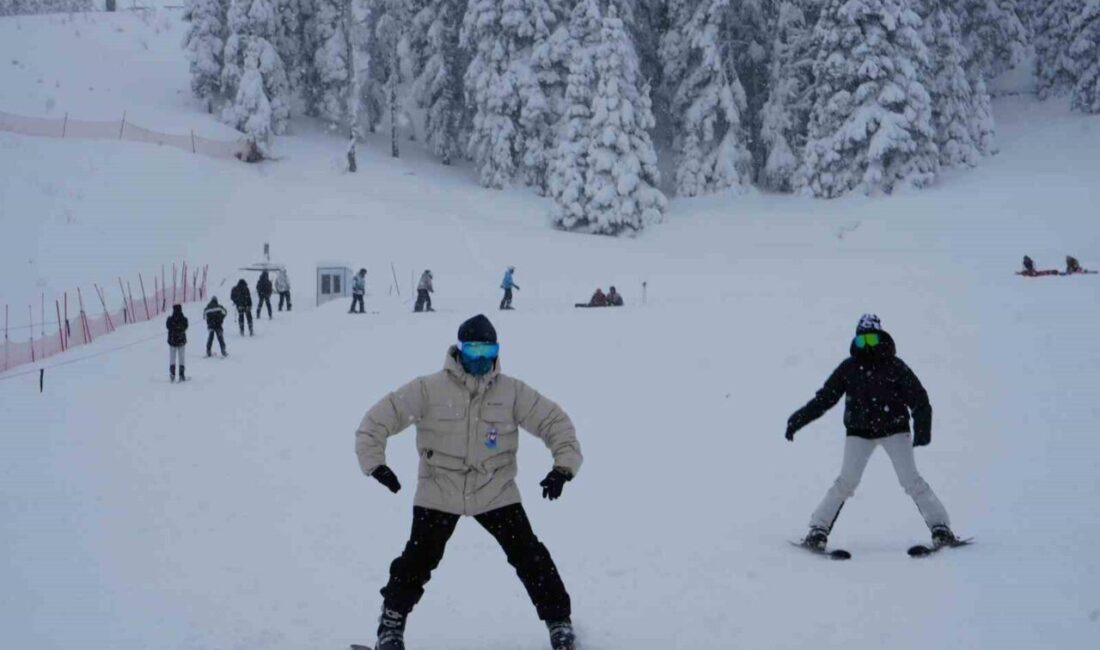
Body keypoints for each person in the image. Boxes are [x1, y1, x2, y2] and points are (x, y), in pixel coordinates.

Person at [356, 314, 582, 650]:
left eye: (488, 350)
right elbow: (376, 421)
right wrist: (375, 464)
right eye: (474, 350)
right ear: (458, 351)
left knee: (530, 556)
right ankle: (390, 629)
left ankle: (559, 623)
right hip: (438, 489)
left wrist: (562, 468)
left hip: (495, 489)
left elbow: (555, 423)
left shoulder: (512, 392)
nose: (481, 359)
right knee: (416, 562)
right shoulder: (427, 389)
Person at [785, 314, 957, 552]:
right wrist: (798, 420)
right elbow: (825, 398)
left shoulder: (895, 367)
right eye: (862, 340)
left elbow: (919, 398)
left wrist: (922, 428)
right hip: (859, 433)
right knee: (845, 482)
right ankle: (818, 530)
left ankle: (941, 529)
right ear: (856, 342)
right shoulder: (849, 368)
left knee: (911, 481)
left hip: (895, 431)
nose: (867, 346)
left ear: (881, 339)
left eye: (872, 339)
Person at [166, 304, 188, 382]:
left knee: (172, 358)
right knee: (181, 358)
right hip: (181, 341)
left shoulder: (170, 319)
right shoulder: (184, 319)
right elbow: (186, 326)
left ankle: (172, 374)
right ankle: (181, 374)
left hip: (172, 341)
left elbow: (168, 326)